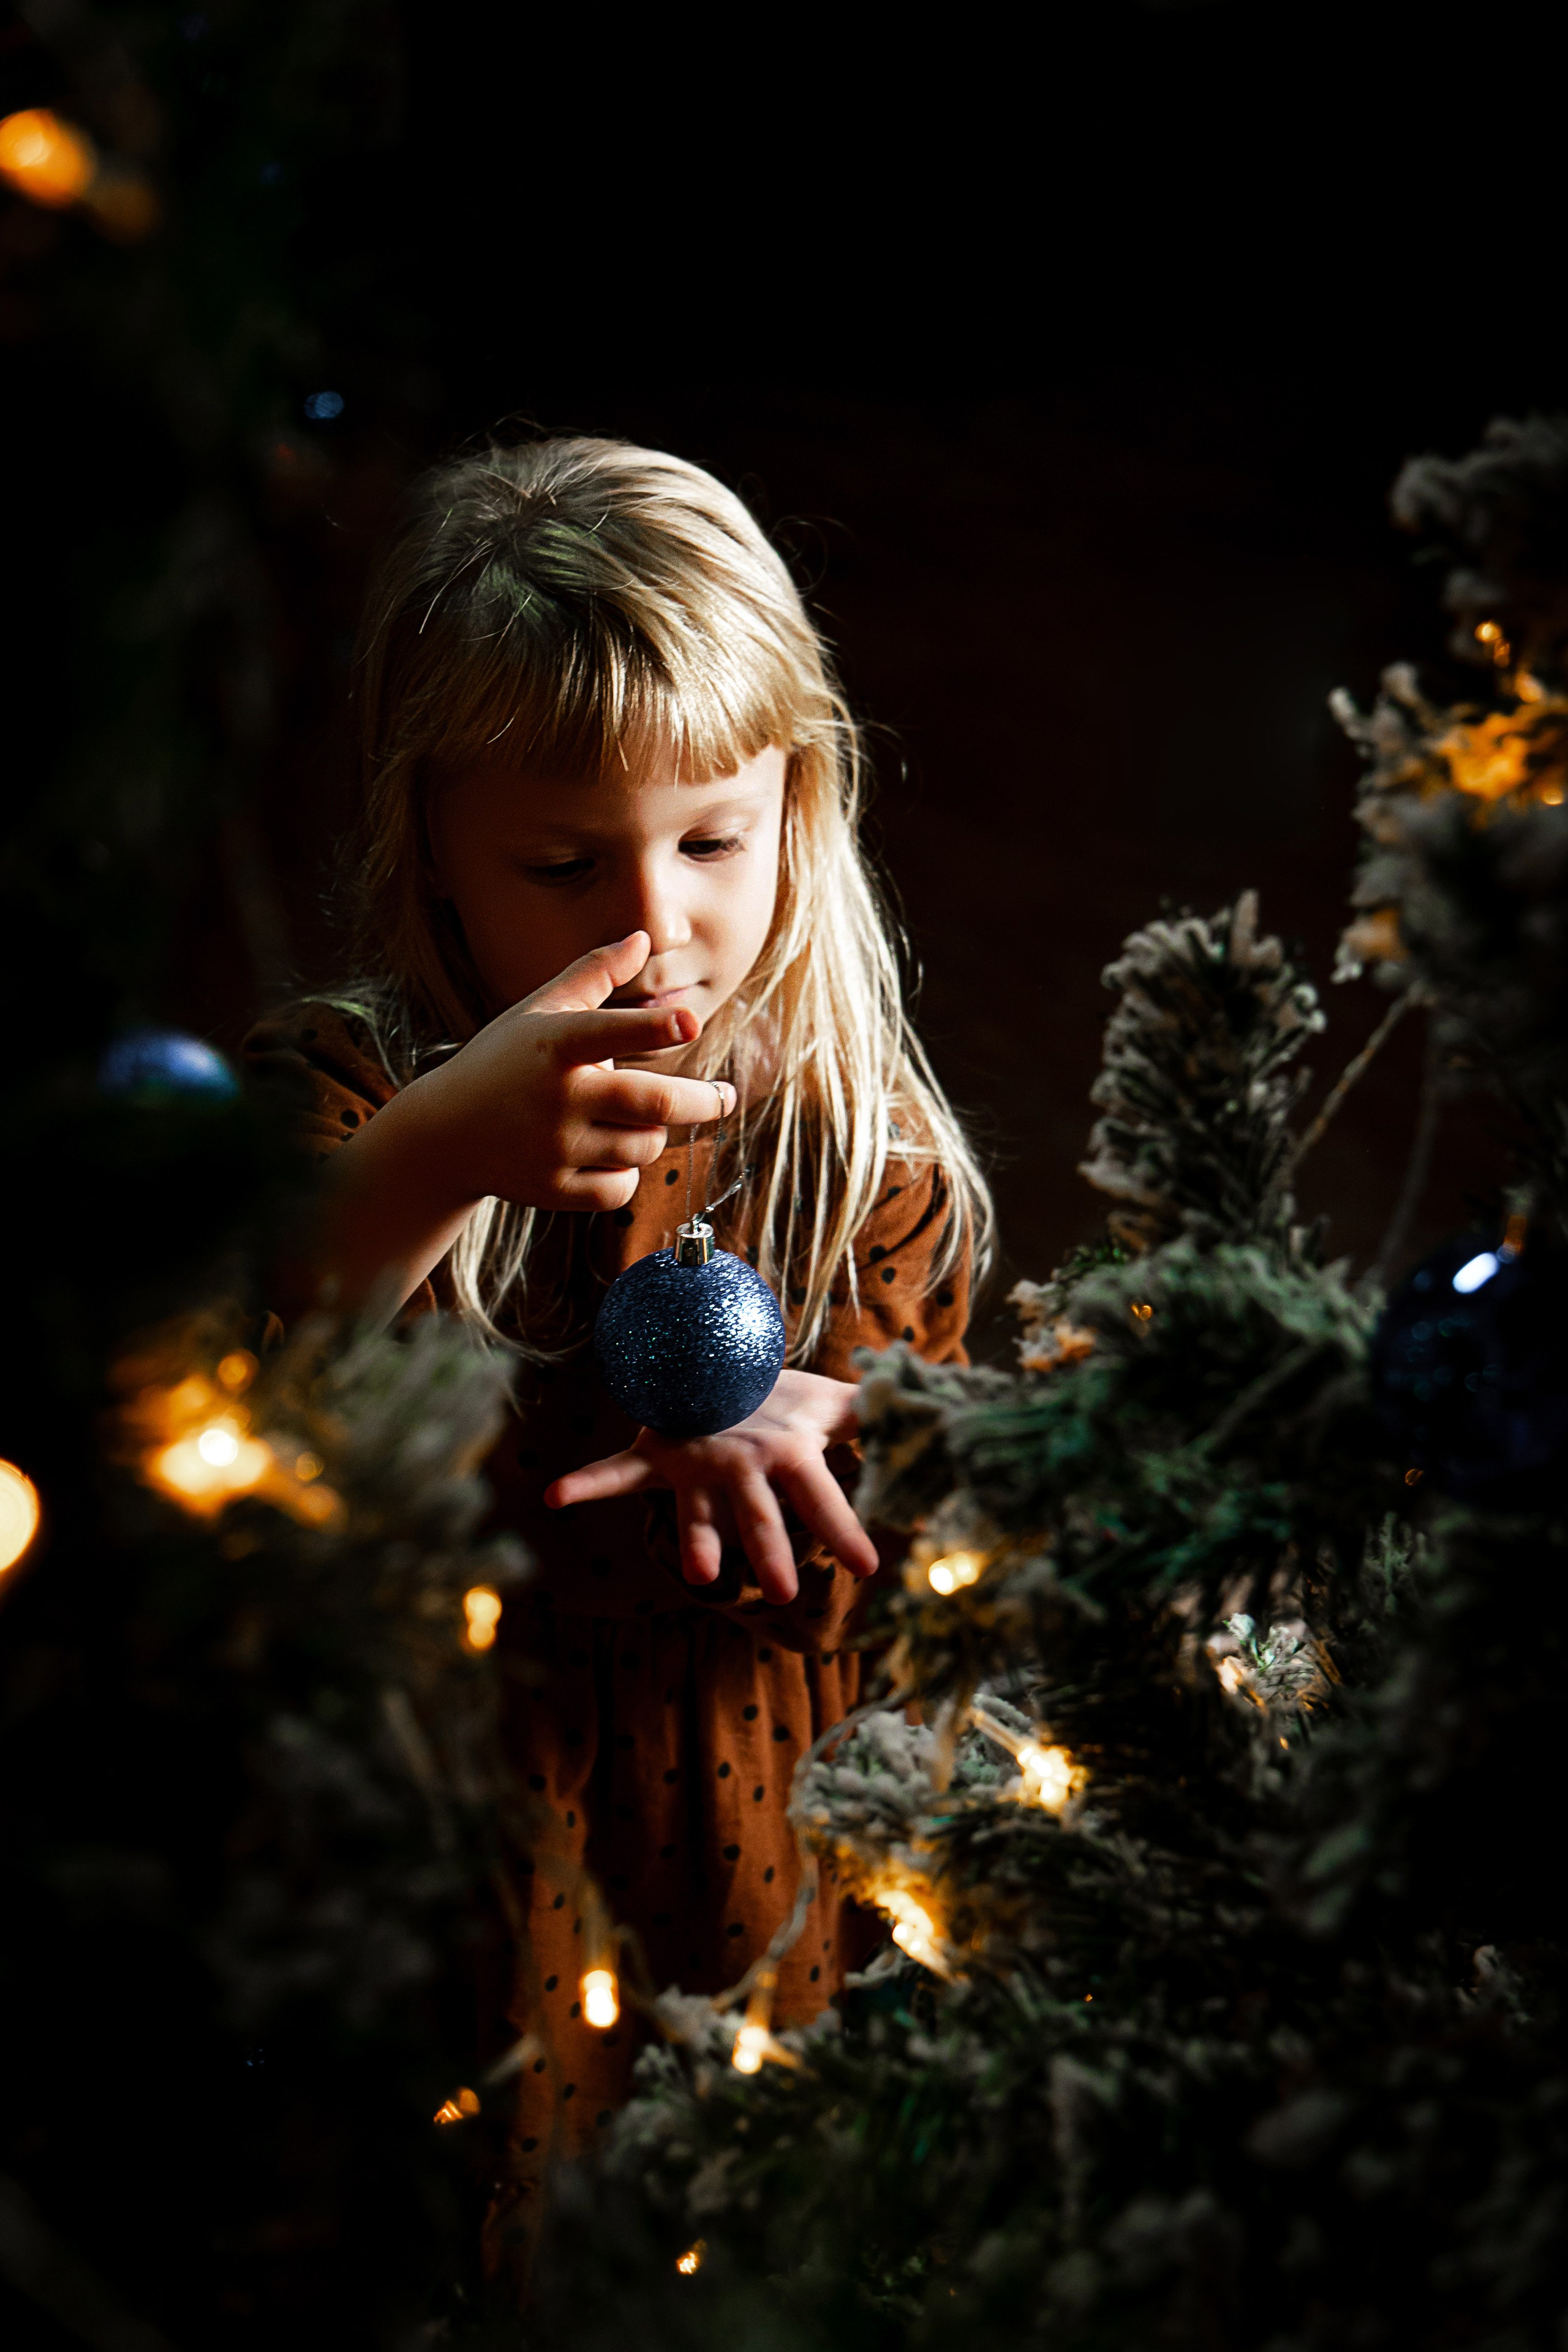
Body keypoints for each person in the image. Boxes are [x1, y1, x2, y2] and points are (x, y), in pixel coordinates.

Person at [246, 436, 991, 2260]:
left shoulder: (848, 1139)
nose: (655, 922)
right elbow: (238, 1380)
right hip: (437, 1839)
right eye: (566, 860)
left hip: (733, 1818)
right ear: (432, 839)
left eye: (714, 841)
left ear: (799, 808)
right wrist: (436, 1155)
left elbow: (927, 1469)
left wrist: (833, 1426)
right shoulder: (350, 1098)